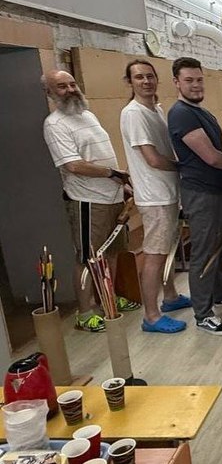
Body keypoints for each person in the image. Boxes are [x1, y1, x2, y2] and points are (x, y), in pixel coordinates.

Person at [42, 70, 131, 333]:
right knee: (88, 258)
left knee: (111, 253)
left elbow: (102, 155)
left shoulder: (87, 115)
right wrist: (113, 174)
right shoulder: (54, 124)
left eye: (72, 84)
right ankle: (85, 313)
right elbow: (73, 165)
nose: (71, 89)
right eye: (62, 86)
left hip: (113, 197)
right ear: (49, 92)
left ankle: (108, 300)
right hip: (87, 201)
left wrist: (121, 183)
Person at [167, 57, 222, 336]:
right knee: (205, 253)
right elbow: (210, 156)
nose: (196, 85)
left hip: (216, 190)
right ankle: (203, 313)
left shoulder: (201, 111)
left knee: (221, 247)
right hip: (201, 193)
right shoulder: (181, 114)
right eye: (189, 80)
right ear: (177, 82)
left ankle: (220, 293)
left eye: (199, 79)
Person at [119, 59, 189, 334]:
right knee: (155, 255)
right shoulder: (133, 114)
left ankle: (170, 297)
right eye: (139, 77)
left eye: (150, 76)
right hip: (154, 196)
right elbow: (153, 159)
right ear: (130, 82)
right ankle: (151, 315)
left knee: (167, 249)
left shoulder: (156, 109)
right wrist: (187, 167)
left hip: (168, 192)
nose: (146, 81)